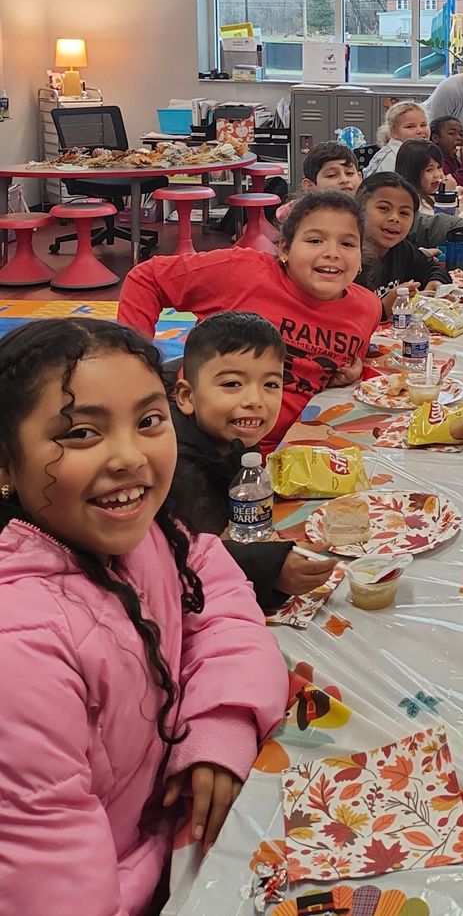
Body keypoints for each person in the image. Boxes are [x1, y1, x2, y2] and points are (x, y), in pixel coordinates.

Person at [0, 317, 288, 915]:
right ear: (5, 464)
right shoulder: (19, 650)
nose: (130, 456)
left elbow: (216, 589)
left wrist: (222, 721)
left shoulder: (147, 536)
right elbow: (49, 887)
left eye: (149, 421)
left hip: (172, 849)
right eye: (81, 433)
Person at [118, 190, 381, 456]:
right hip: (200, 446)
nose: (332, 253)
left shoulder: (368, 307)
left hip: (288, 452)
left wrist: (346, 374)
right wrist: (135, 366)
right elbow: (146, 278)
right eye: (315, 240)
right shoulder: (242, 271)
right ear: (285, 249)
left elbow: (338, 361)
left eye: (348, 244)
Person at [170, 312, 337, 611]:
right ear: (186, 397)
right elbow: (183, 558)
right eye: (232, 384)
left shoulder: (233, 430)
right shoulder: (174, 465)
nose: (255, 399)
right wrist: (271, 568)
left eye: (271, 385)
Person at [356, 173, 450, 318]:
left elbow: (432, 268)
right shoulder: (348, 258)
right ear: (360, 210)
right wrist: (383, 308)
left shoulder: (401, 249)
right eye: (384, 208)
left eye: (404, 213)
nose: (395, 218)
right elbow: (341, 315)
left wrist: (435, 283)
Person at [394, 139, 463, 253]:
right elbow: (433, 224)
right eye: (429, 170)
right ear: (412, 173)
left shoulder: (431, 193)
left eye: (439, 167)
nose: (437, 174)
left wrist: (459, 192)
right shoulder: (412, 203)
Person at [276, 141, 362, 223]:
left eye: (349, 173)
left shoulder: (368, 212)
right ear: (309, 186)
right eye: (331, 175)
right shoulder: (300, 219)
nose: (344, 180)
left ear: (360, 178)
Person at [363, 101, 430, 177]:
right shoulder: (391, 159)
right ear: (393, 132)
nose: (420, 131)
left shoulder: (421, 152)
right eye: (410, 127)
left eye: (423, 125)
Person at [430, 115, 463, 187]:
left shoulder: (454, 159)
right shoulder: (437, 162)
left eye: (461, 135)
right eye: (451, 133)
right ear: (436, 138)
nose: (459, 138)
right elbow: (457, 186)